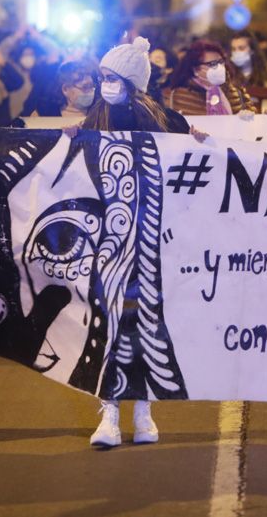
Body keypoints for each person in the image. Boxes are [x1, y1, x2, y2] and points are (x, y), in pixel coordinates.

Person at [76, 37, 200, 448]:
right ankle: (109, 413)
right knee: (110, 322)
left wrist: (198, 140)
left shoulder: (162, 118)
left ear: (131, 81)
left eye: (111, 77)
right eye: (102, 76)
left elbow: (191, 151)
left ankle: (144, 411)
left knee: (147, 322)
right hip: (109, 237)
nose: (104, 84)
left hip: (151, 238)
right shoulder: (95, 116)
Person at [162, 40, 255, 116]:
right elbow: (179, 129)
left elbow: (254, 121)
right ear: (196, 69)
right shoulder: (180, 95)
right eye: (212, 64)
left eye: (221, 62)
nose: (219, 67)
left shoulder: (236, 91)